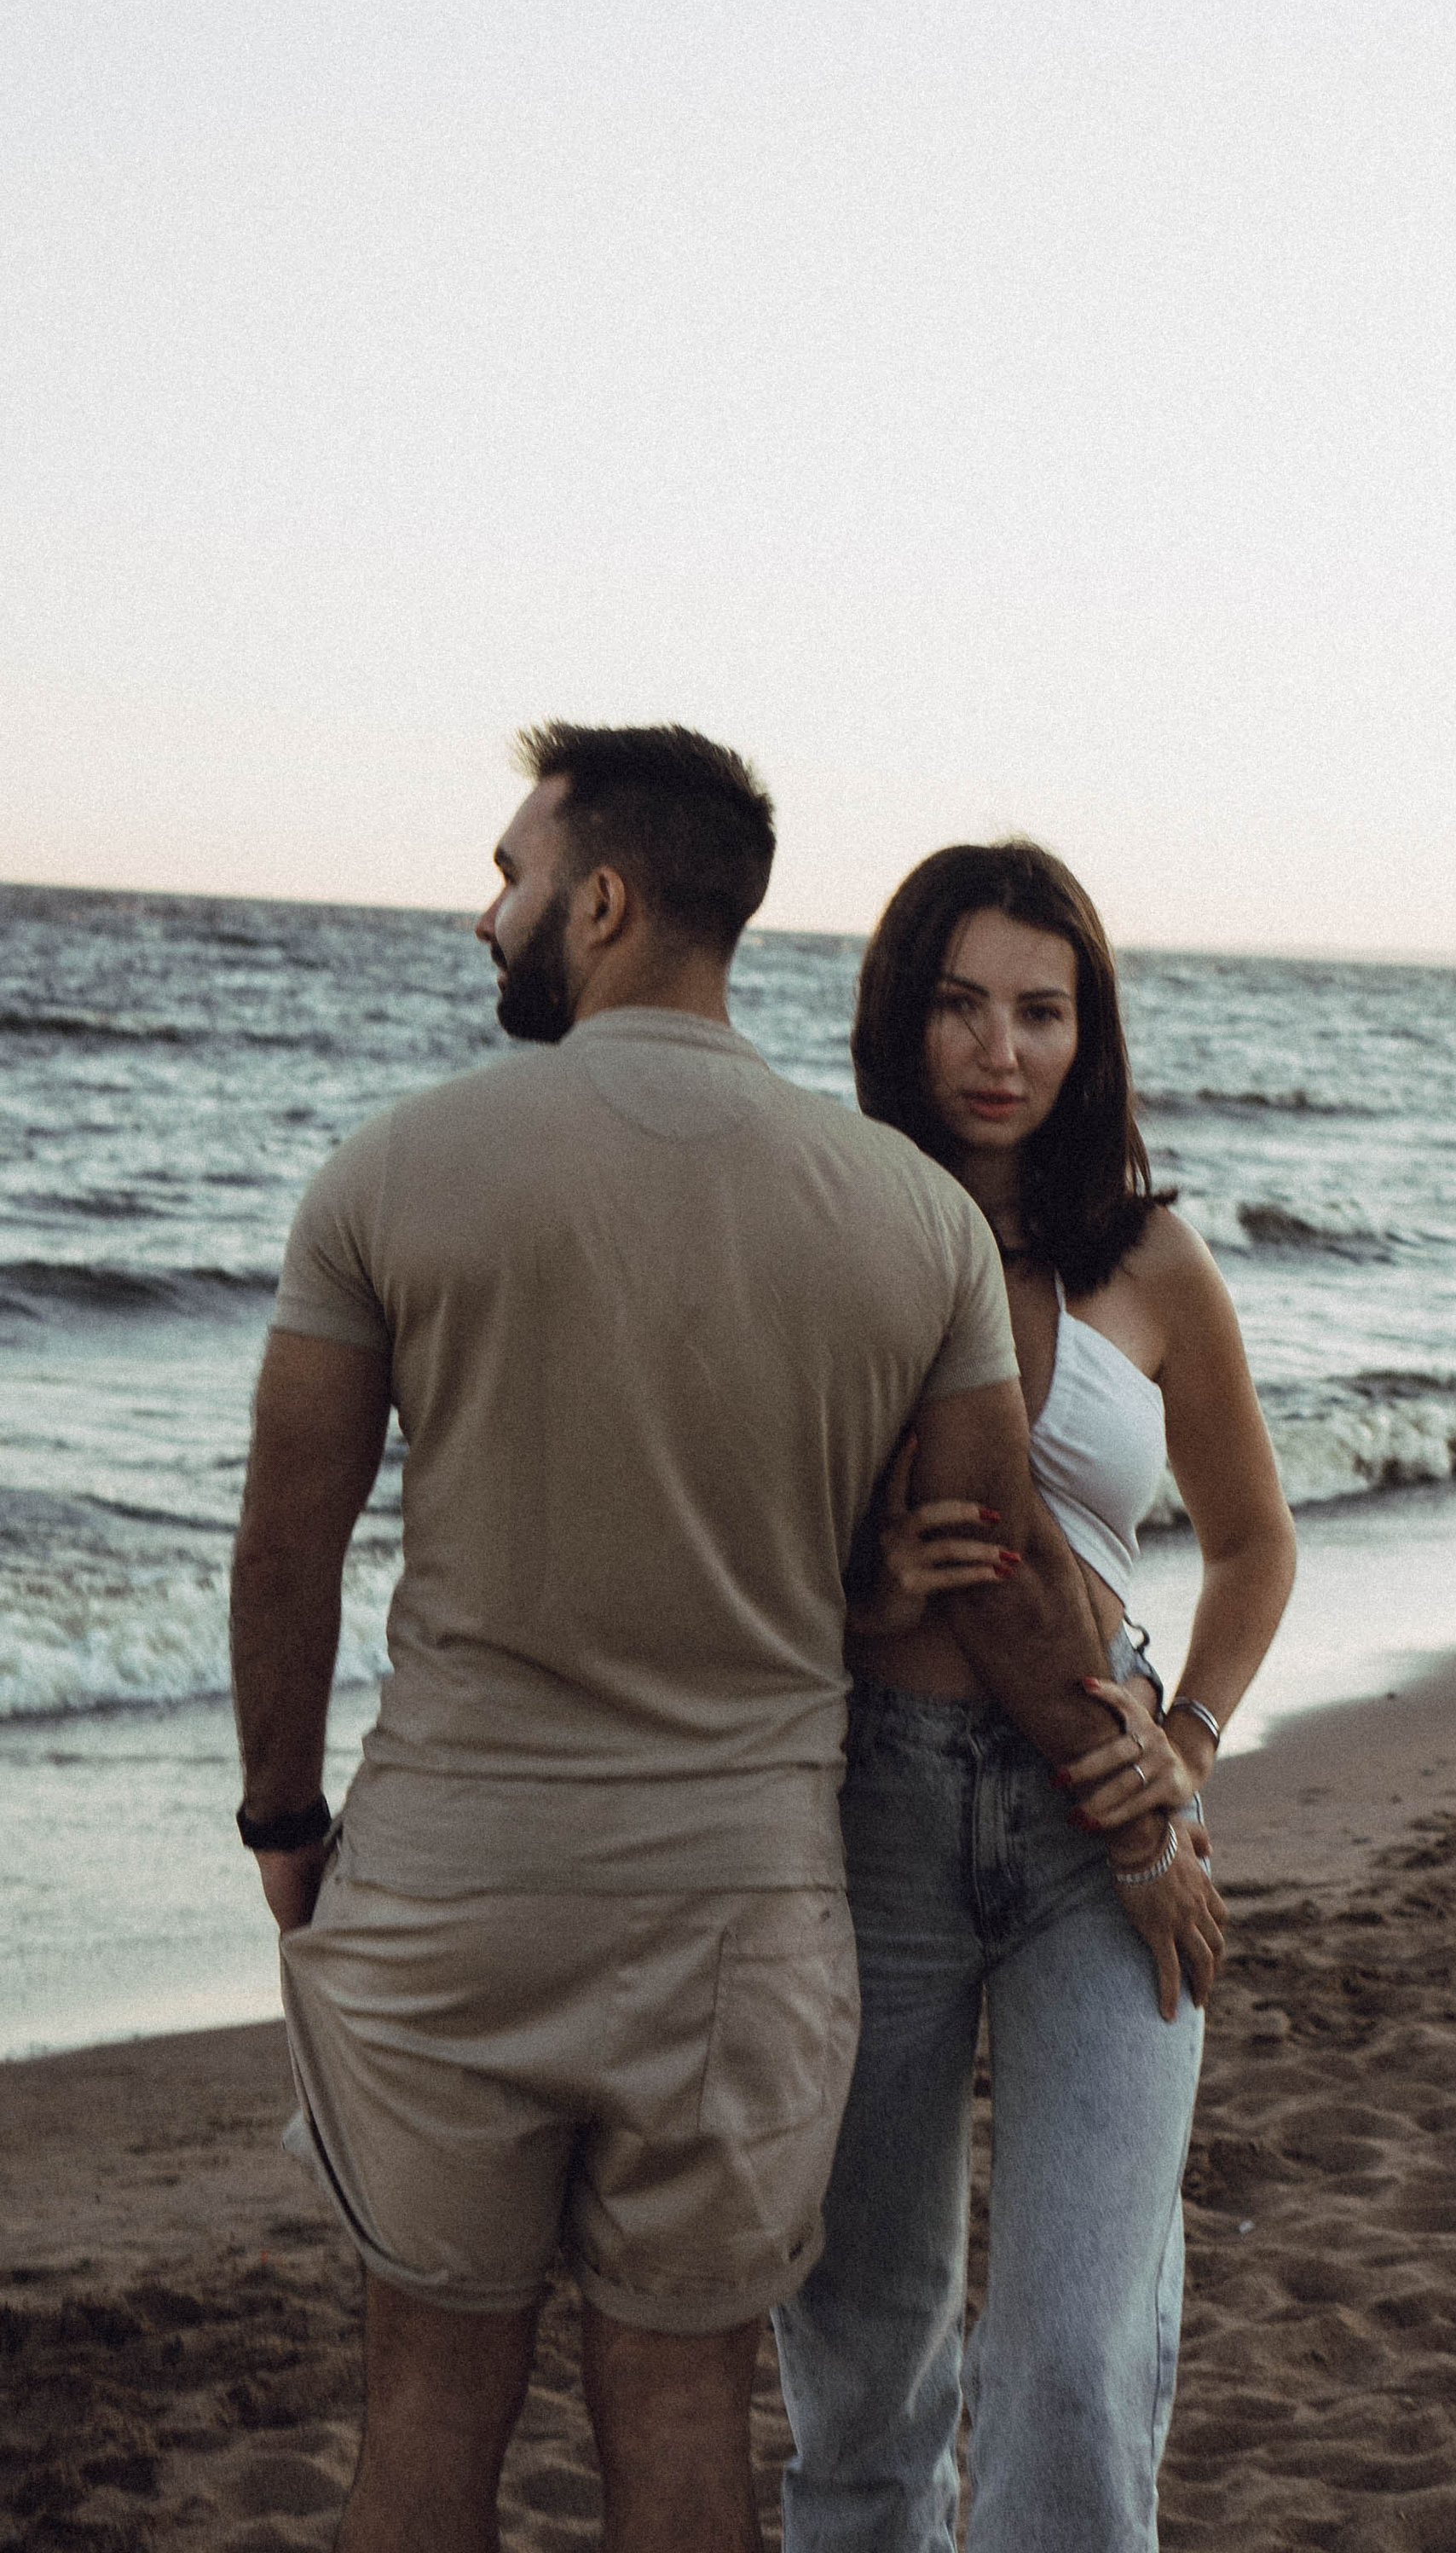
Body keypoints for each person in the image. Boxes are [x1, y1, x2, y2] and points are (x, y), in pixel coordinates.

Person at [229, 729, 1223, 2553]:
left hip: (456, 1890)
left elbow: (285, 1547)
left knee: (426, 2433)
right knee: (687, 2433)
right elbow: (996, 1563)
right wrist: (1135, 1787)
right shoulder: (902, 1219)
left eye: (511, 875)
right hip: (753, 1909)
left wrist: (286, 1830)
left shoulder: (393, 1169)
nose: (487, 912)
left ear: (600, 900)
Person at [776, 840, 1297, 2553]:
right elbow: (718, 1532)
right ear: (897, 1017)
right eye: (957, 1005)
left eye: (1040, 1011)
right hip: (870, 1811)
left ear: (1089, 1035)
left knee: (1071, 2355)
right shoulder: (829, 1235)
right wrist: (856, 1600)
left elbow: (1249, 1547)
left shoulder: (1145, 1260)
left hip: (1105, 1821)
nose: (998, 1049)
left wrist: (1190, 1743)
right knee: (863, 2369)